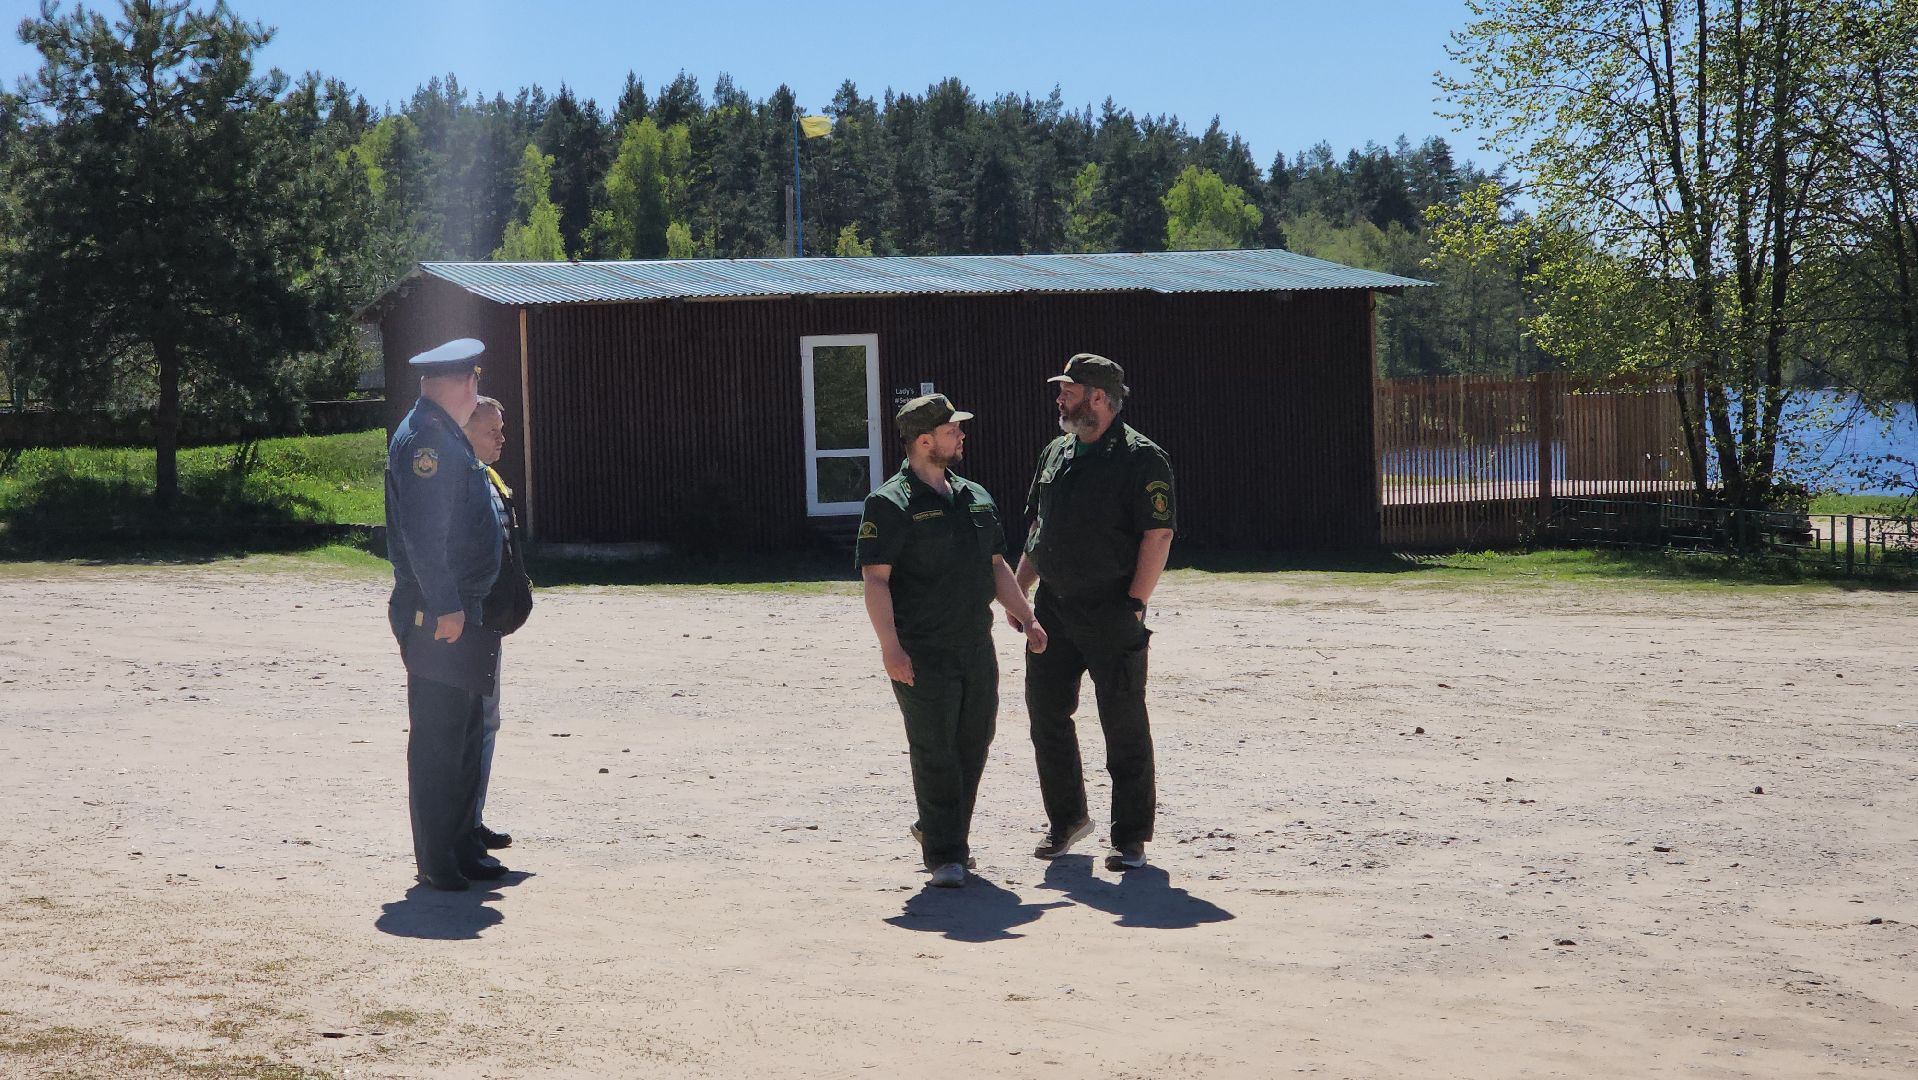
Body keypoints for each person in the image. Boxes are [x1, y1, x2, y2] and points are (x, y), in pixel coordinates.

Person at [857, 394, 1048, 889]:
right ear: (925, 441)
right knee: (933, 748)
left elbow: (996, 565)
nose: (961, 436)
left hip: (973, 647)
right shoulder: (889, 503)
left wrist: (1027, 617)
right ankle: (946, 853)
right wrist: (889, 648)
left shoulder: (974, 496)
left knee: (973, 743)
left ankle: (939, 832)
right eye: (951, 430)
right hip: (922, 649)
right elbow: (876, 580)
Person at [1014, 354, 1176, 872]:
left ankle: (1129, 838)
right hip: (1053, 612)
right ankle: (1066, 821)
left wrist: (1134, 604)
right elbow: (1039, 530)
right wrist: (1019, 595)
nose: (1059, 399)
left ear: (1099, 398)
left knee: (1123, 723)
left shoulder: (1142, 459)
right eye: (1061, 390)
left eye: (1069, 390)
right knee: (1047, 717)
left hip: (1111, 611)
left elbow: (1159, 535)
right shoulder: (1055, 454)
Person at [384, 338, 510, 891]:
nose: (476, 389)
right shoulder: (426, 442)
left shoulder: (444, 434)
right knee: (438, 738)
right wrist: (447, 606)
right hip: (442, 615)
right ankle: (437, 860)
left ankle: (461, 846)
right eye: (474, 381)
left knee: (461, 736)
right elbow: (423, 537)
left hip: (466, 610)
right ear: (463, 383)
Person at [459, 396, 533, 853]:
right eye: (492, 430)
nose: (502, 438)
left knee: (486, 721)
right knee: (473, 723)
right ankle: (463, 824)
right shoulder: (463, 479)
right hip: (469, 620)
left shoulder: (487, 477)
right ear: (465, 431)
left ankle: (473, 818)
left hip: (489, 622)